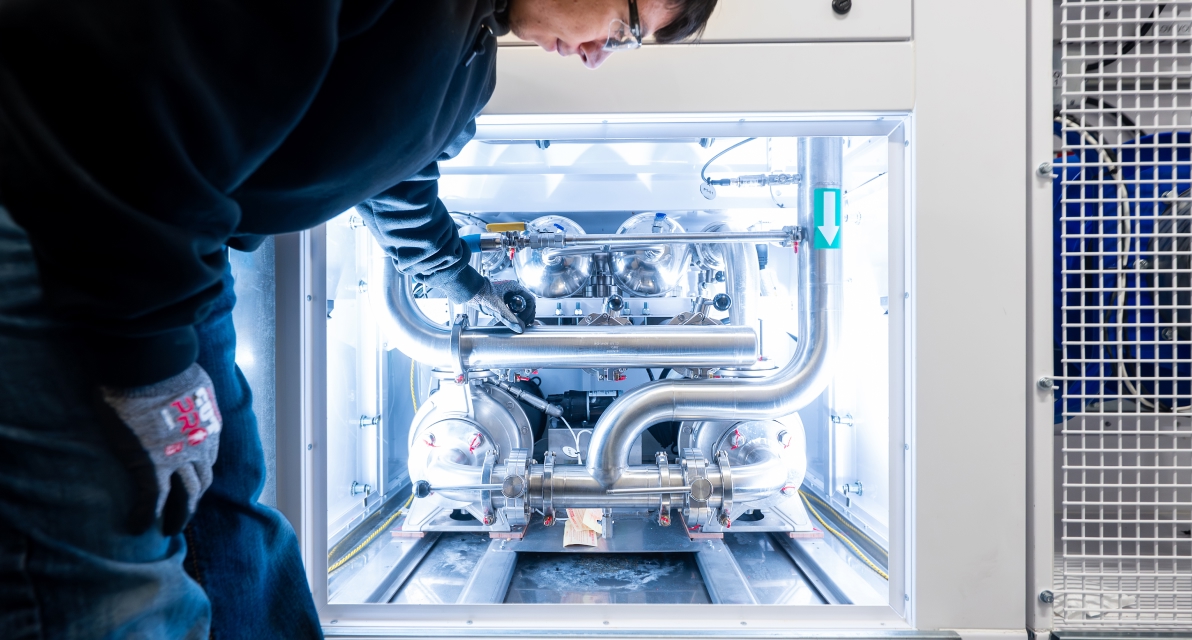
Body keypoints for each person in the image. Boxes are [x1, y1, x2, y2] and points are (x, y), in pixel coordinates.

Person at [0, 0, 718, 637]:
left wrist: (452, 276)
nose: (599, 55)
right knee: (112, 569)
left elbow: (398, 171)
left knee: (229, 513)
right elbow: (120, 91)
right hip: (70, 234)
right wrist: (145, 363)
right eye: (623, 28)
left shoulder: (469, 52)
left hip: (171, 263)